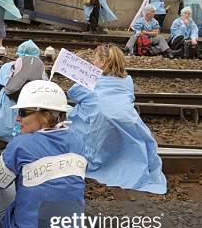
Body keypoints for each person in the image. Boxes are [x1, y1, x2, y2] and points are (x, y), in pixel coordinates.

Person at [0, 80, 90, 228]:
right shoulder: (78, 141)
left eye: (23, 112)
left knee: (4, 188)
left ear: (47, 115)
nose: (17, 118)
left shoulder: (20, 145)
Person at [67, 44, 166, 194]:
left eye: (95, 60)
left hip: (100, 130)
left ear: (103, 62)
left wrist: (86, 75)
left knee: (75, 112)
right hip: (127, 124)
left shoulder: (93, 80)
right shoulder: (127, 80)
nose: (92, 63)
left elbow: (72, 93)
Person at [0, 39, 46, 143]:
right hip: (30, 131)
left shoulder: (7, 67)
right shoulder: (41, 73)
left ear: (19, 54)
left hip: (0, 129)